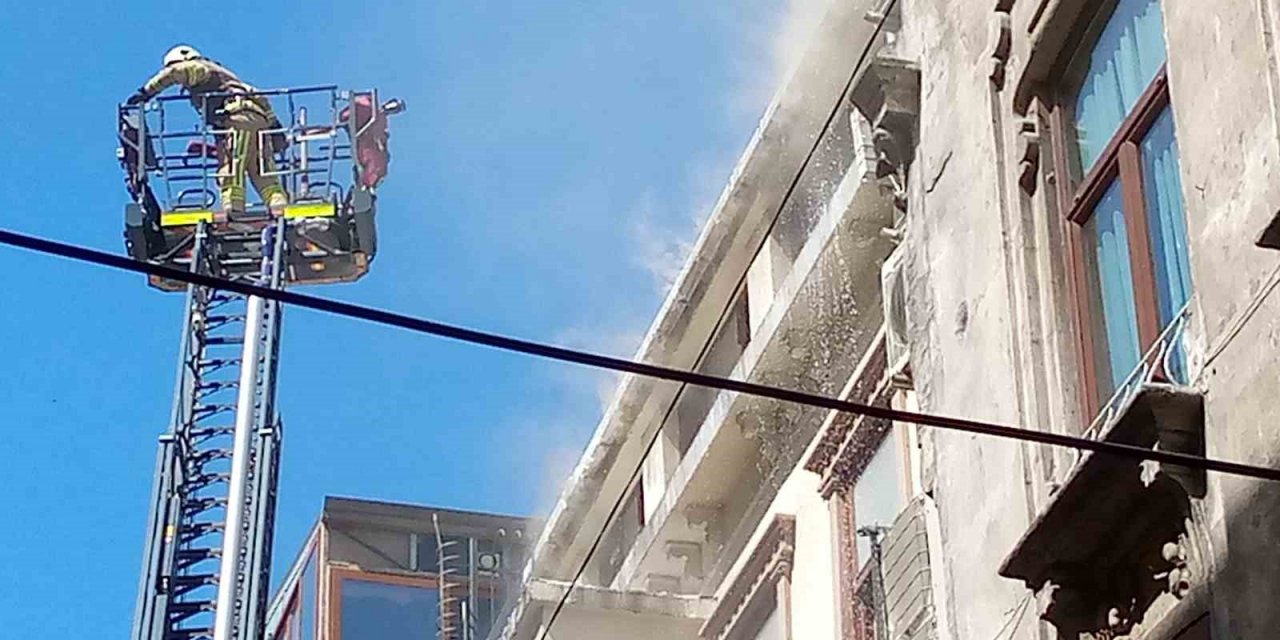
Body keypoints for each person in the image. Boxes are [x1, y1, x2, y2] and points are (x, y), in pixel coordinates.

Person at [127, 45, 288, 215]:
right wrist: (274, 127)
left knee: (231, 169)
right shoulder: (226, 75)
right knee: (263, 174)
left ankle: (234, 211)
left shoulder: (200, 68)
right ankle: (280, 207)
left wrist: (146, 93)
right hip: (258, 122)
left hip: (236, 120)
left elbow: (176, 72)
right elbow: (258, 96)